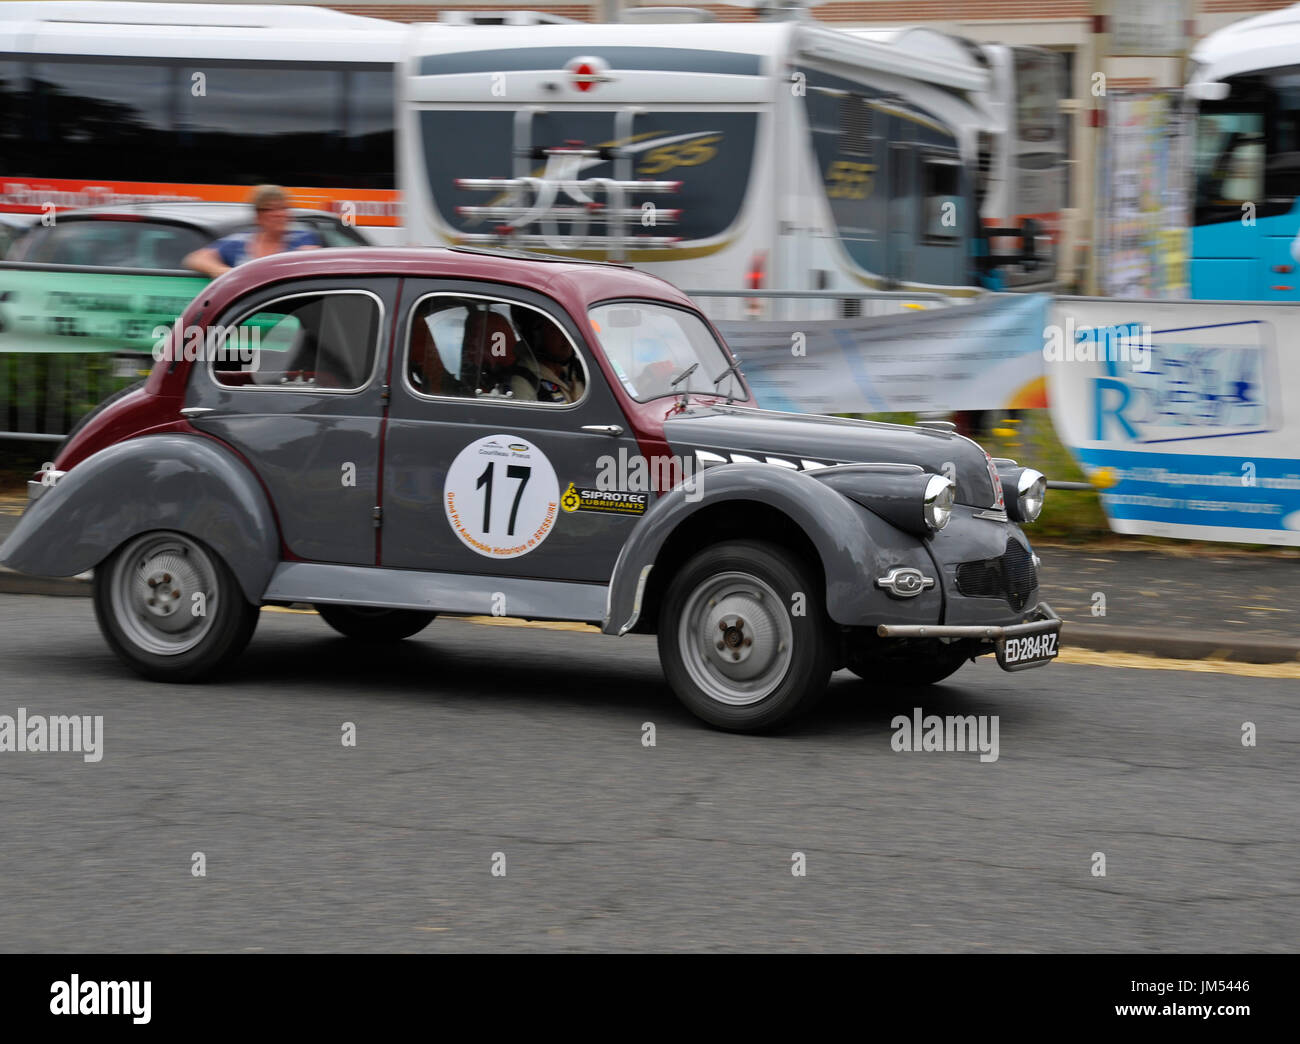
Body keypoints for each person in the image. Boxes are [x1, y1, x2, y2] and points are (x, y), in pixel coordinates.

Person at [183, 185, 320, 277]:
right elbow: (195, 258)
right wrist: (225, 273)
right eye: (271, 209)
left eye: (284, 208)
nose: (279, 214)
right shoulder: (238, 242)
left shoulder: (302, 239)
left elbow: (313, 260)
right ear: (258, 216)